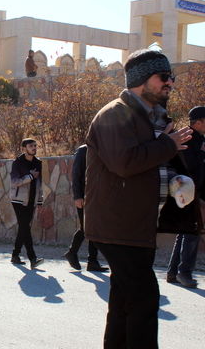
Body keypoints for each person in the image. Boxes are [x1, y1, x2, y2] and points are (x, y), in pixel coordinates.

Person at [84, 49, 197, 349]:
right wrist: (166, 145)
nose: (170, 83)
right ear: (141, 80)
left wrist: (176, 179)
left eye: (171, 77)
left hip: (137, 226)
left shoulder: (149, 119)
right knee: (144, 298)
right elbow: (125, 162)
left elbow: (150, 162)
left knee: (124, 303)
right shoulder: (114, 114)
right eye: (164, 77)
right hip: (117, 227)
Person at [166, 105, 205, 288]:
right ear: (197, 122)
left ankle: (173, 272)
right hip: (188, 190)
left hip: (190, 190)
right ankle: (184, 272)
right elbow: (190, 167)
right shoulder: (189, 139)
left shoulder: (198, 138)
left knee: (185, 232)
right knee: (192, 231)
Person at [63, 145, 108, 272]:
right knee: (86, 227)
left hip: (99, 196)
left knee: (94, 228)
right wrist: (77, 196)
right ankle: (74, 254)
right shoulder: (83, 150)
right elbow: (76, 174)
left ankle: (91, 261)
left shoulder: (104, 148)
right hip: (85, 196)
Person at [9, 138, 44, 269]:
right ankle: (33, 258)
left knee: (24, 228)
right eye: (31, 146)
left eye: (35, 145)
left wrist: (39, 200)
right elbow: (14, 182)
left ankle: (15, 254)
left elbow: (40, 183)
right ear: (24, 148)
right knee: (25, 226)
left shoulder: (38, 163)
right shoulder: (17, 163)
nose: (34, 148)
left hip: (32, 201)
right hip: (18, 200)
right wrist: (29, 177)